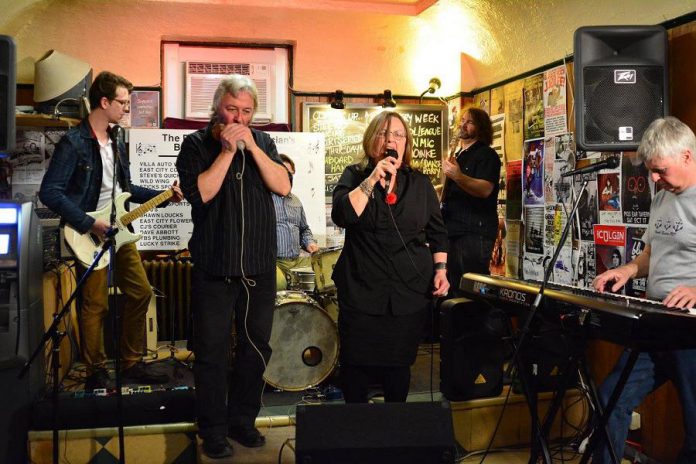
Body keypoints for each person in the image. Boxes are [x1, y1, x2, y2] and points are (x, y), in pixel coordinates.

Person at [39, 71, 184, 390]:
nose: (127, 109)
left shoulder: (117, 139)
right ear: (103, 102)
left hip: (120, 230)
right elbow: (49, 192)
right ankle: (96, 370)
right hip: (88, 233)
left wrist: (163, 196)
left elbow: (126, 188)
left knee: (141, 292)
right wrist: (90, 223)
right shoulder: (74, 142)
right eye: (122, 102)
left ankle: (131, 362)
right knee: (95, 305)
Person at [175, 75, 290, 459]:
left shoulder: (266, 141)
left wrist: (253, 148)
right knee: (210, 353)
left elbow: (283, 186)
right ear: (217, 107)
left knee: (256, 350)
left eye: (246, 111)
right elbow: (202, 192)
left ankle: (243, 422)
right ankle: (213, 430)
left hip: (257, 266)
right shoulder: (195, 145)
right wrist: (226, 152)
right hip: (214, 267)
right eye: (231, 109)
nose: (239, 117)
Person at [592, 116, 696, 464]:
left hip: (690, 332)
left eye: (660, 170)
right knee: (610, 399)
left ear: (686, 156)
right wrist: (628, 268)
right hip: (656, 323)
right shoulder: (664, 195)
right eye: (651, 170)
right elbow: (653, 251)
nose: (653, 178)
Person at [331, 110, 449, 403]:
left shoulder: (420, 183)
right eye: (384, 133)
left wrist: (441, 269)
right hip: (361, 290)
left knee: (398, 367)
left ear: (406, 143)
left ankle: (393, 433)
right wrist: (372, 179)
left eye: (398, 134)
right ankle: (356, 433)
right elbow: (343, 215)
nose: (391, 139)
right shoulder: (355, 176)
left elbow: (438, 233)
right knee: (355, 365)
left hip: (407, 291)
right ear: (372, 139)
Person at [441, 107, 501, 294]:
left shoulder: (486, 155)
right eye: (462, 120)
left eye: (470, 122)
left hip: (474, 232)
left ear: (481, 127)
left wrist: (458, 176)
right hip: (453, 230)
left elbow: (485, 190)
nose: (463, 125)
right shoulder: (459, 154)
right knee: (454, 286)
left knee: (469, 288)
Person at [273, 154, 319, 288]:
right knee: (280, 284)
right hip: (273, 262)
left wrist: (309, 242)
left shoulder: (296, 201)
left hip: (296, 261)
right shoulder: (264, 200)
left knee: (320, 277)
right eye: (285, 172)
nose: (289, 177)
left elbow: (304, 229)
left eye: (291, 174)